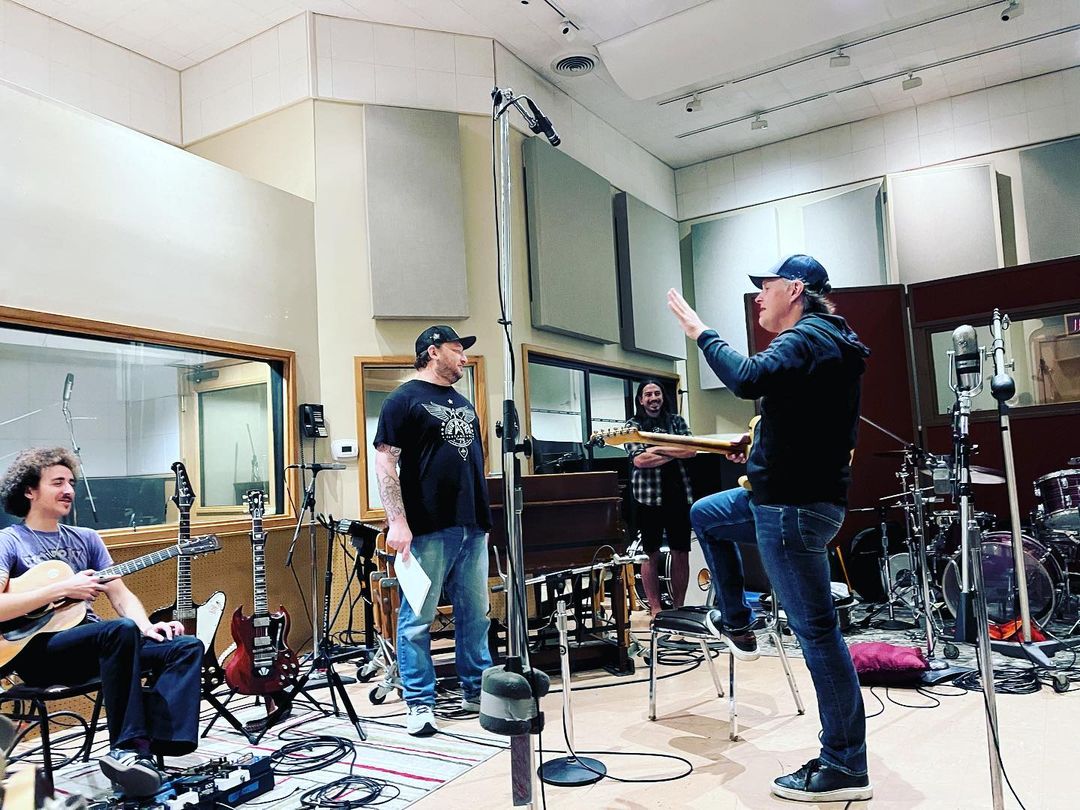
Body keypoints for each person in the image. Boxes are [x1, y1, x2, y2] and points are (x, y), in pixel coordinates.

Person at [667, 254, 872, 803]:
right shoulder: (825, 341)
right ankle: (737, 621)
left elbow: (746, 378)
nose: (759, 296)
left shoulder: (809, 335)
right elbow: (802, 420)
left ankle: (845, 764)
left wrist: (702, 332)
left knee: (818, 634)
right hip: (783, 500)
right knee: (705, 514)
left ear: (796, 289)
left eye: (767, 286)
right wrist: (757, 445)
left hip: (792, 508)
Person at [0, 447, 203, 798]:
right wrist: (62, 588)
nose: (69, 490)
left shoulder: (86, 538)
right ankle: (127, 749)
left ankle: (155, 749)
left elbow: (121, 595)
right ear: (29, 490)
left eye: (71, 483)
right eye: (57, 482)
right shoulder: (9, 542)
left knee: (184, 646)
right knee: (118, 632)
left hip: (100, 646)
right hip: (38, 653)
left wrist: (146, 626)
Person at [373, 325, 493, 737]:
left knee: (475, 616)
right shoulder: (402, 400)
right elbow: (385, 463)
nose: (464, 357)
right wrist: (398, 521)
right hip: (427, 527)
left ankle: (476, 691)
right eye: (457, 349)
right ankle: (420, 702)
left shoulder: (463, 402)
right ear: (433, 351)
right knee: (417, 620)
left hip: (472, 525)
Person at [623, 380, 696, 617]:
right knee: (649, 553)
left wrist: (655, 448)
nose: (653, 398)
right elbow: (640, 460)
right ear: (641, 400)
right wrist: (674, 450)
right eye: (648, 394)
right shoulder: (632, 426)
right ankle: (656, 609)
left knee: (681, 552)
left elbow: (691, 450)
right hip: (647, 498)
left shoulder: (677, 422)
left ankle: (679, 607)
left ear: (662, 397)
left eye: (657, 393)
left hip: (679, 495)